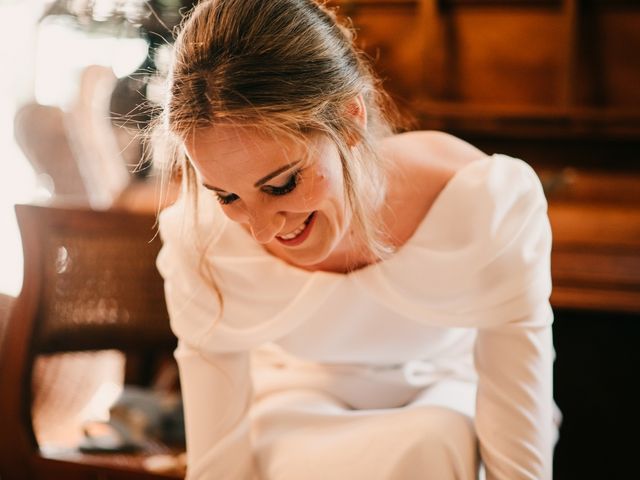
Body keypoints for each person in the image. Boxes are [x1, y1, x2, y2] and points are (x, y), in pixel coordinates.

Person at [154, 0, 559, 478]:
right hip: (298, 395)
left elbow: (519, 440)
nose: (261, 230)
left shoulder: (483, 203)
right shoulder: (202, 238)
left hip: (448, 387)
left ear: (350, 118)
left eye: (282, 184)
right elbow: (218, 460)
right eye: (227, 196)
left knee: (432, 443)